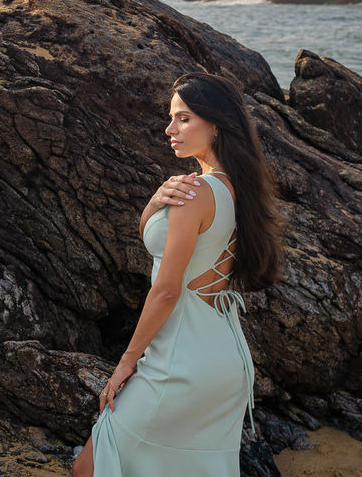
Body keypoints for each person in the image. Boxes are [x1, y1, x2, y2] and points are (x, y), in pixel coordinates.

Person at [71, 72, 285, 477]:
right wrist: (153, 206)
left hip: (180, 362)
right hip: (222, 358)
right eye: (172, 118)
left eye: (184, 118)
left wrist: (125, 365)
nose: (170, 129)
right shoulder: (234, 190)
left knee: (89, 467)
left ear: (217, 124)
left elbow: (168, 291)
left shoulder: (196, 193)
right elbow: (169, 252)